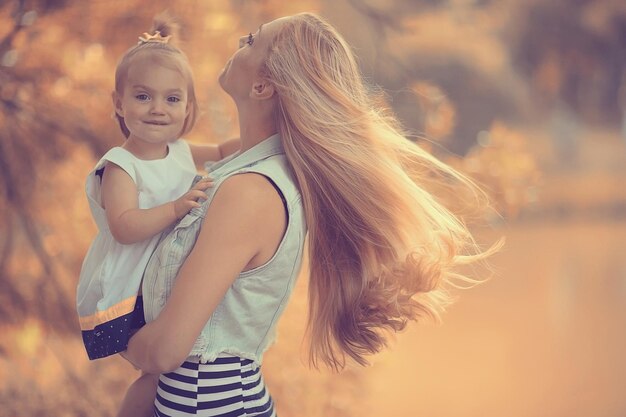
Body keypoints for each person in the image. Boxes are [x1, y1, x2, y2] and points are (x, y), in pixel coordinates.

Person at [122, 12, 501, 416]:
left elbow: (165, 350)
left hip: (208, 404)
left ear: (263, 85)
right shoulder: (260, 172)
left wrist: (113, 336)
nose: (239, 41)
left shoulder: (250, 192)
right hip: (204, 399)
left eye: (252, 40)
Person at [75, 14, 240, 417]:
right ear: (119, 102)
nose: (157, 109)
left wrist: (272, 138)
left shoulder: (180, 149)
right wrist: (176, 206)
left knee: (173, 371)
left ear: (187, 108)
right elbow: (125, 226)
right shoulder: (121, 165)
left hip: (167, 277)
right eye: (142, 96)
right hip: (132, 288)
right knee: (157, 369)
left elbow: (222, 152)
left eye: (172, 99)